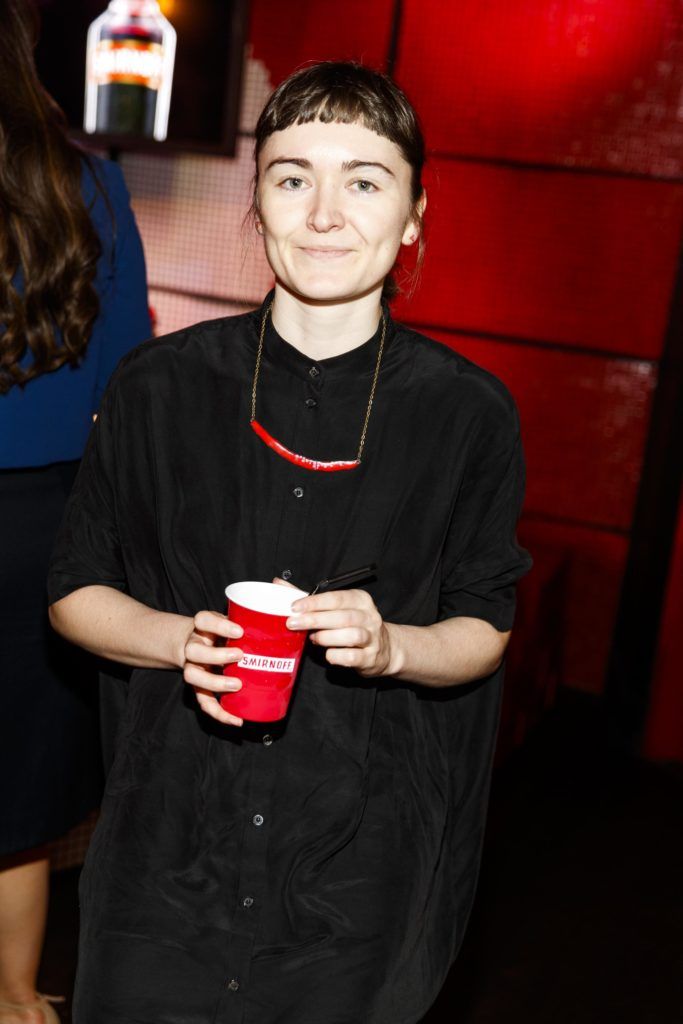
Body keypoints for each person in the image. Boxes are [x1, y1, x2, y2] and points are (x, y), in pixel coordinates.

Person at [48, 61, 531, 1023]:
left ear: (414, 216)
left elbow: (485, 623)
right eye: (291, 176)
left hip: (361, 871)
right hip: (167, 851)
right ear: (255, 205)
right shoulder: (155, 387)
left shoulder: (469, 414)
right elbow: (74, 591)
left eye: (363, 180)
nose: (322, 213)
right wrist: (184, 641)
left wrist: (394, 645)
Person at [0, 2, 151, 1022]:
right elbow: (130, 383)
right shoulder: (85, 176)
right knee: (12, 796)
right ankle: (14, 993)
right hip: (41, 527)